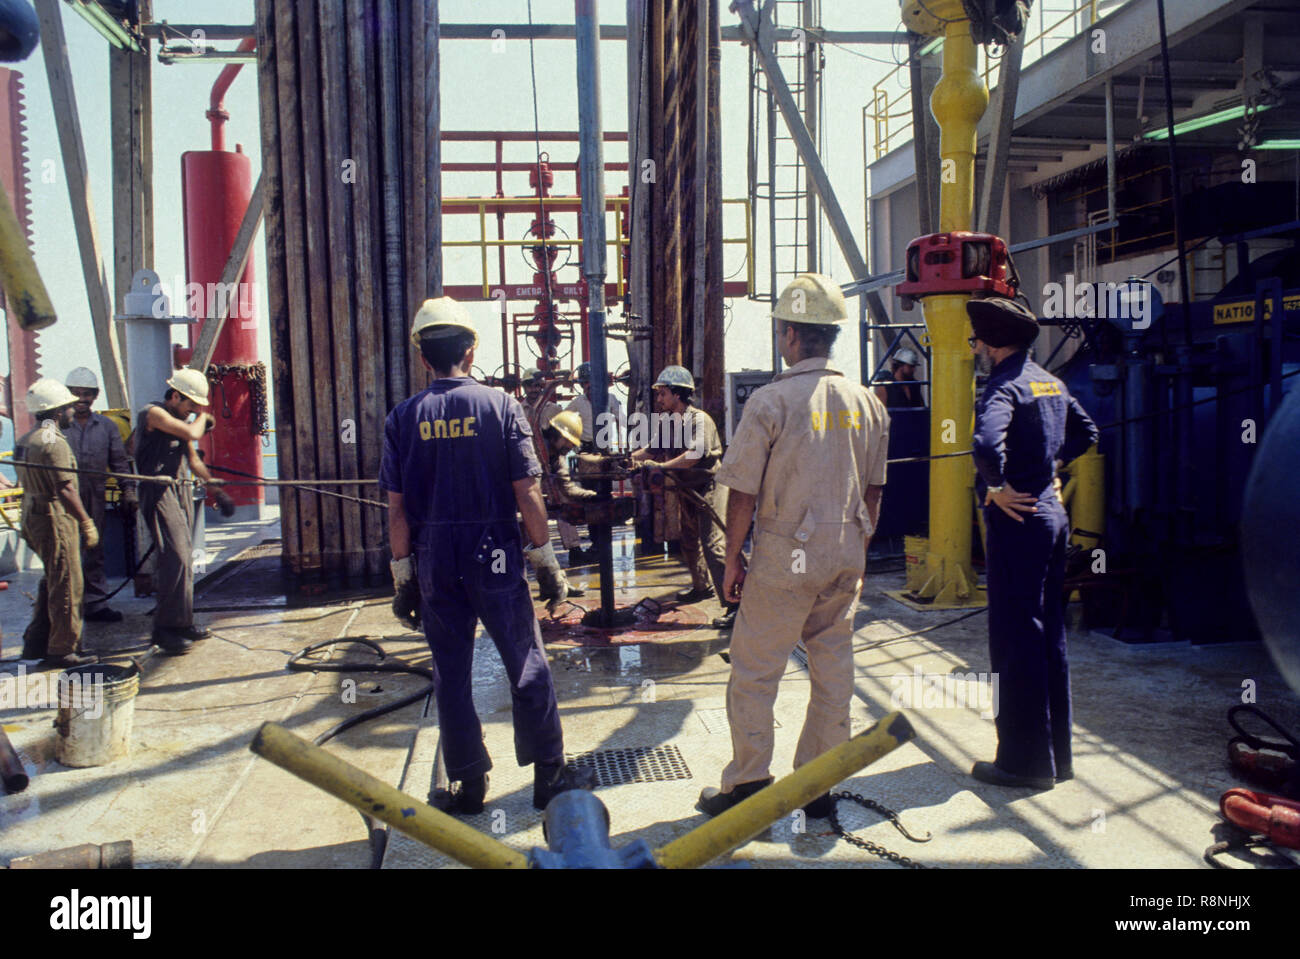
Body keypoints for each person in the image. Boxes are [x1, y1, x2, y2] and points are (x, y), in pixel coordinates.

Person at [382, 297, 594, 815]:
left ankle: (469, 785)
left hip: (436, 559)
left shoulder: (404, 417)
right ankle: (549, 775)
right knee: (525, 661)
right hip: (494, 553)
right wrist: (546, 561)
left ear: (422, 357)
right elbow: (528, 494)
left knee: (449, 673)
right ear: (471, 351)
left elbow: (397, 511)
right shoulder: (501, 407)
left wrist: (404, 576)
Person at [697, 273, 890, 818]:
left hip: (787, 557)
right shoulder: (868, 404)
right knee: (834, 670)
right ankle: (818, 785)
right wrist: (858, 549)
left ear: (787, 335)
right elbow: (874, 490)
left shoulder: (771, 401)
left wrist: (733, 560)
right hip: (845, 551)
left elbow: (743, 495)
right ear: (832, 336)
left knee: (756, 669)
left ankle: (749, 784)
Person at [967, 295, 1099, 790]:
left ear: (992, 343)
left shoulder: (1004, 386)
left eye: (976, 340)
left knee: (1014, 639)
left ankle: (1022, 763)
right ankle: (1056, 758)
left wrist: (998, 486)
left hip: (1019, 521)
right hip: (1052, 514)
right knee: (1050, 636)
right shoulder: (1051, 381)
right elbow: (1087, 431)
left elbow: (984, 444)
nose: (975, 347)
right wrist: (1051, 469)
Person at [629, 365, 736, 627]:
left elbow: (694, 455)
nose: (659, 399)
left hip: (709, 486)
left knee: (713, 545)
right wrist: (628, 460)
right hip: (687, 487)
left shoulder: (700, 420)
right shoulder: (669, 422)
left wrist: (662, 468)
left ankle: (735, 604)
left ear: (678, 394)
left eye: (663, 394)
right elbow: (652, 450)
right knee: (689, 540)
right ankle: (702, 587)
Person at [134, 368, 232, 655]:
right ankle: (163, 630)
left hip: (179, 490)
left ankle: (182, 622)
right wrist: (204, 418)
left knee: (186, 559)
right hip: (158, 490)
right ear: (174, 395)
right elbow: (192, 430)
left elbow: (193, 460)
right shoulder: (152, 414)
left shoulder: (181, 420)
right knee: (174, 556)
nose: (194, 411)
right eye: (191, 404)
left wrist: (217, 490)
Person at [15, 379, 100, 667]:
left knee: (50, 579)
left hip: (31, 513)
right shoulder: (53, 441)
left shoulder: (27, 439)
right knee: (67, 582)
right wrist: (86, 523)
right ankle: (62, 650)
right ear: (56, 411)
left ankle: (36, 643)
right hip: (53, 516)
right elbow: (65, 489)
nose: (72, 412)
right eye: (68, 407)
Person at [64, 367, 136, 623]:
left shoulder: (106, 426)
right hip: (63, 497)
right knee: (65, 553)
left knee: (94, 550)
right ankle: (66, 609)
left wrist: (128, 491)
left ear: (95, 396)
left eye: (87, 394)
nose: (82, 399)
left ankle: (94, 604)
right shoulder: (54, 425)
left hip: (94, 494)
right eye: (76, 394)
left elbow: (118, 461)